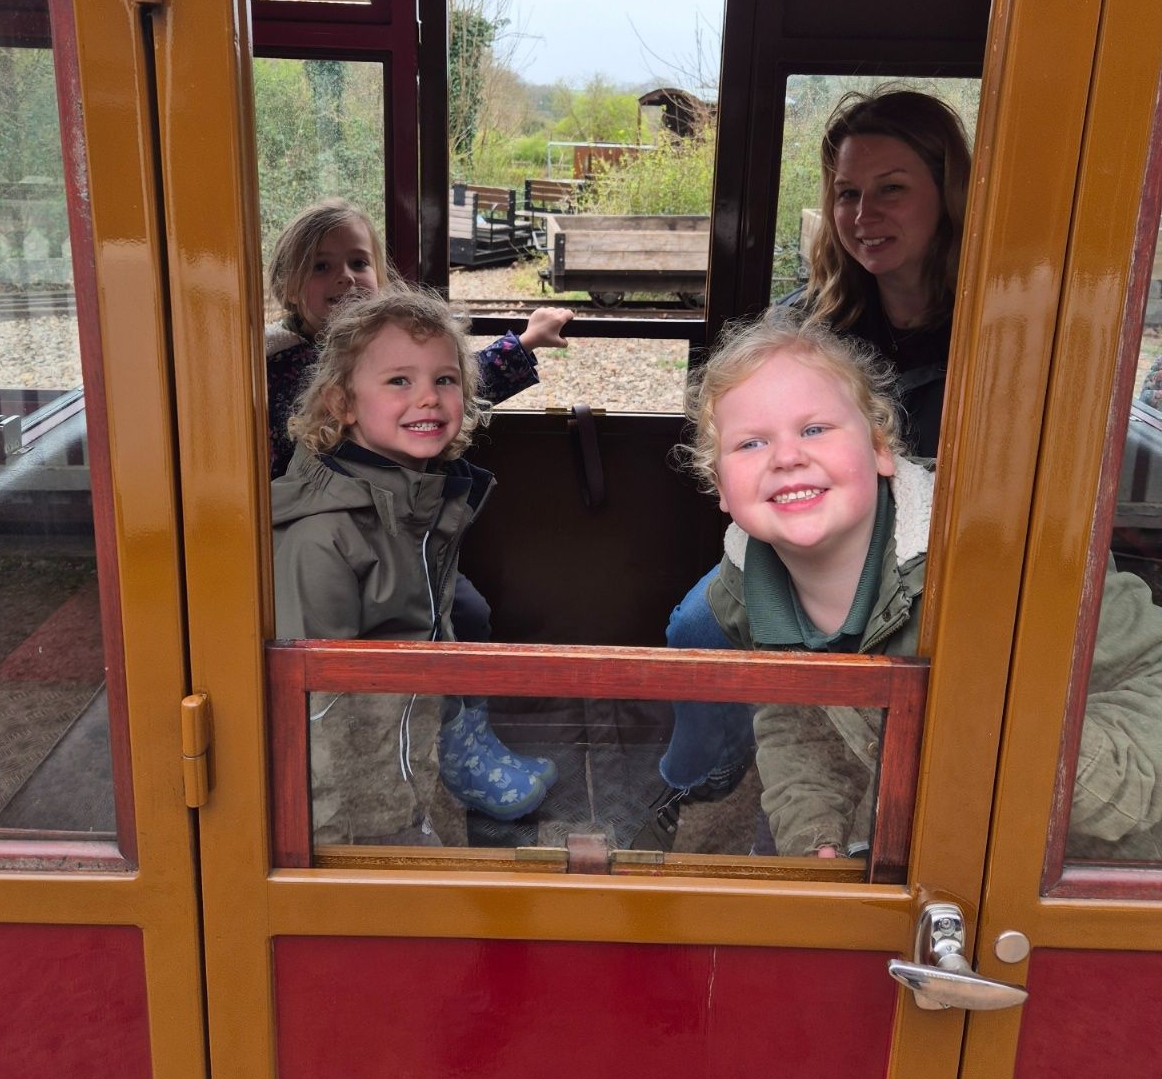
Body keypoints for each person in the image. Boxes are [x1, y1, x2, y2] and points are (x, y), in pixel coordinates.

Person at [681, 308, 1162, 860]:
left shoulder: (1011, 553)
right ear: (720, 487)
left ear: (880, 449)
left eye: (814, 429)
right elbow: (795, 719)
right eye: (750, 444)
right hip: (941, 855)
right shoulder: (744, 593)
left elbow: (1150, 680)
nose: (787, 457)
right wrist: (814, 837)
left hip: (1095, 874)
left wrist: (1004, 734)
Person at [655, 87, 972, 810]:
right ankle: (707, 774)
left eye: (891, 190)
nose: (863, 216)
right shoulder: (809, 320)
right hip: (816, 539)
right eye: (848, 194)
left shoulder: (997, 322)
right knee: (698, 624)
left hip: (936, 551)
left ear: (947, 193)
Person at [272, 284, 558, 844]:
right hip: (353, 806)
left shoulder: (414, 500)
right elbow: (314, 715)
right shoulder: (323, 539)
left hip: (410, 753)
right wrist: (340, 841)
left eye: (445, 380)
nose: (428, 397)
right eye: (399, 381)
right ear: (342, 404)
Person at [265, 197, 573, 478]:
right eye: (321, 266)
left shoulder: (384, 342)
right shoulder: (277, 362)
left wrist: (526, 341)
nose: (346, 276)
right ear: (288, 286)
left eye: (359, 263)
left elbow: (454, 383)